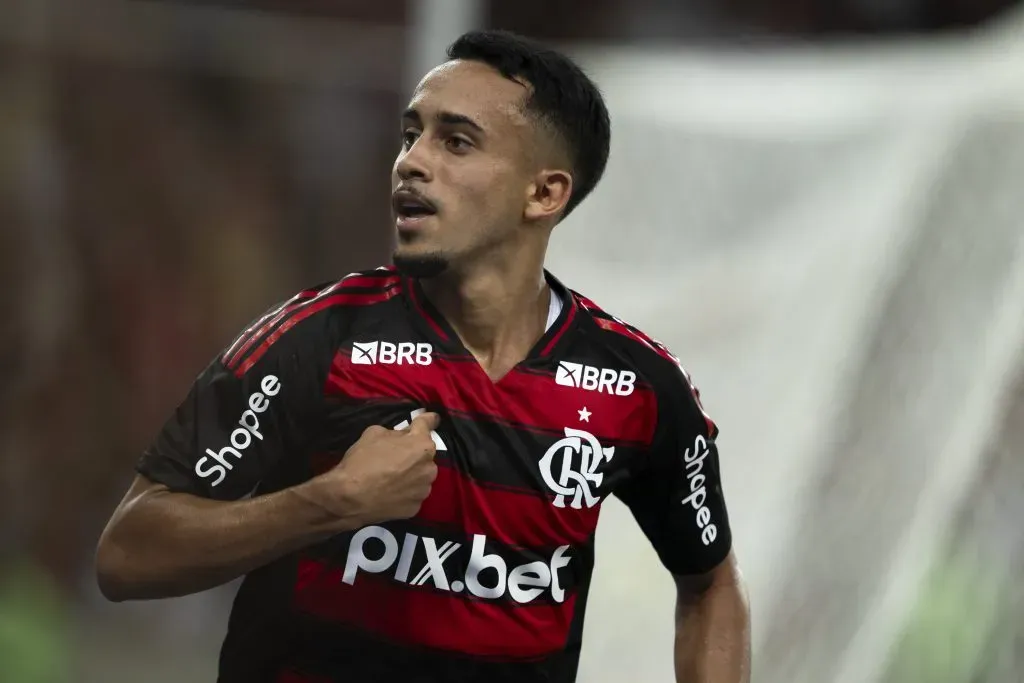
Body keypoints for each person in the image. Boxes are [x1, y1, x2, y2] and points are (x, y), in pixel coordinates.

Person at [96, 29, 750, 683]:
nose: (411, 161)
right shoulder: (319, 337)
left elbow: (711, 585)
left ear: (544, 194)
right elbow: (126, 554)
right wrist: (327, 502)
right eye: (411, 135)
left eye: (456, 141)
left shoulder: (636, 386)